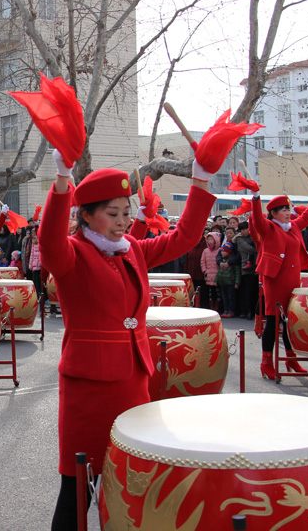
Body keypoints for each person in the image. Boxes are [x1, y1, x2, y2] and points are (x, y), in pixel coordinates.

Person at [40, 150, 215, 530]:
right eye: (112, 213)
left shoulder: (131, 249)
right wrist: (61, 180)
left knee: (134, 481)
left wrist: (200, 183)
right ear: (86, 214)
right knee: (77, 491)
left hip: (134, 381)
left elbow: (184, 237)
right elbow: (49, 240)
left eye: (126, 212)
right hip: (90, 388)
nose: (122, 221)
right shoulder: (72, 254)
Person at [250, 188, 308, 379]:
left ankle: (291, 359)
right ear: (273, 213)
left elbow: (306, 217)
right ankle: (266, 363)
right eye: (283, 210)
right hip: (274, 279)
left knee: (290, 321)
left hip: (292, 279)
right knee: (274, 321)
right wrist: (256, 198)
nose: (288, 212)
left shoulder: (294, 227)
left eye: (288, 209)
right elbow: (257, 220)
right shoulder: (268, 227)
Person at [235, 222, 258, 319]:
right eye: (243, 229)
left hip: (256, 266)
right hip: (246, 268)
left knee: (256, 291)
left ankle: (255, 312)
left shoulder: (253, 237)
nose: (245, 231)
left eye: (247, 229)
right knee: (247, 291)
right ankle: (248, 311)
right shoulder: (239, 239)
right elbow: (250, 249)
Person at [215, 241, 240, 317]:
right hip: (222, 282)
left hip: (231, 282)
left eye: (224, 251)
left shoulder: (232, 261)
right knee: (224, 297)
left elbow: (237, 272)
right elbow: (219, 272)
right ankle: (225, 310)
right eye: (222, 251)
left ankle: (231, 311)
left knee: (231, 297)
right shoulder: (221, 261)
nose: (222, 253)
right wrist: (217, 280)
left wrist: (237, 283)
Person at [200, 231, 221, 312]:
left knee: (218, 292)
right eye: (208, 239)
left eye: (211, 239)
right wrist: (204, 271)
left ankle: (217, 307)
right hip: (208, 274)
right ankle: (211, 306)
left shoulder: (219, 250)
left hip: (217, 274)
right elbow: (202, 262)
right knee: (210, 292)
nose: (210, 241)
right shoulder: (205, 251)